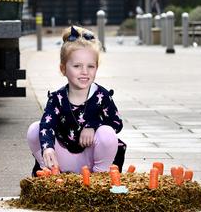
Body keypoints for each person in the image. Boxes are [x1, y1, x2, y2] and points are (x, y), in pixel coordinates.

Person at [26, 26, 126, 176]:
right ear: (63, 69)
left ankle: (99, 178)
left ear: (96, 68)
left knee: (107, 133)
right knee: (35, 129)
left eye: (90, 66)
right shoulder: (57, 98)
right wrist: (48, 147)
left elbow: (117, 123)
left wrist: (93, 126)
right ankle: (49, 171)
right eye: (77, 66)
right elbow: (47, 125)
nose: (85, 72)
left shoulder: (102, 95)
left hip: (91, 159)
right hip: (63, 159)